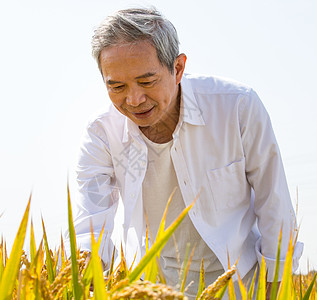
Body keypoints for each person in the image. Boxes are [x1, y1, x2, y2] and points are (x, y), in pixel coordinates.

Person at [69, 7, 303, 299]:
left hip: (240, 284)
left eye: (146, 81)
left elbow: (274, 203)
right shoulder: (102, 133)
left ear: (177, 68)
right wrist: (84, 268)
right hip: (152, 288)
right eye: (116, 86)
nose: (134, 99)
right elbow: (91, 215)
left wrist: (276, 285)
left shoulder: (237, 108)